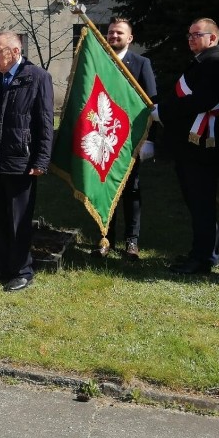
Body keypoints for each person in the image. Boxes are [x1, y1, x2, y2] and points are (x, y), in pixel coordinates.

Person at [0, 32, 54, 292]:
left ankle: (22, 270)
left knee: (19, 218)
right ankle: (2, 266)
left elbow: (45, 122)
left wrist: (42, 159)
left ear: (15, 52)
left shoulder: (38, 77)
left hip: (21, 159)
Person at [153, 18, 219, 274]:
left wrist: (162, 110)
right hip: (190, 148)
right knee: (195, 204)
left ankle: (205, 258)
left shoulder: (216, 62)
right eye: (189, 35)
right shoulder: (202, 62)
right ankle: (200, 253)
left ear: (213, 38)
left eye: (197, 35)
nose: (191, 39)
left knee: (202, 205)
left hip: (203, 149)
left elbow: (202, 101)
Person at [93, 17, 157, 260]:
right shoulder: (99, 62)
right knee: (104, 190)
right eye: (110, 32)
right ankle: (104, 238)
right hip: (102, 138)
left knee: (131, 190)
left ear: (130, 38)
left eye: (119, 33)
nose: (113, 37)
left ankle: (132, 241)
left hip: (130, 140)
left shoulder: (141, 64)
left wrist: (149, 140)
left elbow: (151, 104)